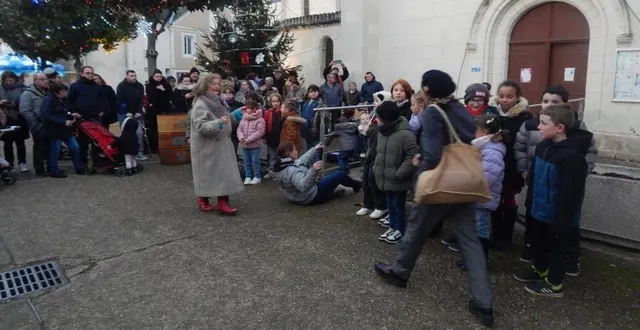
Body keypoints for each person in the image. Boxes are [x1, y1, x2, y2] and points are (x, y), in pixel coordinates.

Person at [374, 70, 494, 327]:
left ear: (427, 90)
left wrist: (421, 170)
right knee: (470, 242)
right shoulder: (461, 110)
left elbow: (431, 154)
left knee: (416, 229)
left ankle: (400, 272)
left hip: (440, 184)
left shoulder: (432, 113)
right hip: (464, 182)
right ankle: (484, 304)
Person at [514, 85, 598, 275]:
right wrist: (525, 173)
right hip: (539, 196)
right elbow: (523, 152)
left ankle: (560, 272)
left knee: (562, 235)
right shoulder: (539, 138)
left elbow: (587, 158)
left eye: (555, 102)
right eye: (545, 101)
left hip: (560, 199)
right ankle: (539, 262)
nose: (548, 105)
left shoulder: (574, 143)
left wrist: (578, 176)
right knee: (539, 232)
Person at [457, 115, 506, 270]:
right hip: (476, 195)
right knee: (473, 228)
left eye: (474, 130)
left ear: (484, 132)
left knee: (480, 228)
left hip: (482, 198)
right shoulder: (482, 147)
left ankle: (479, 261)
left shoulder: (492, 151)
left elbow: (486, 178)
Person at [189, 73, 243, 214]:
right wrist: (218, 122)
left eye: (218, 83)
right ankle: (202, 198)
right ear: (204, 86)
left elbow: (224, 119)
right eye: (213, 83)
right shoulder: (200, 104)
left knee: (222, 174)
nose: (217, 86)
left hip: (221, 145)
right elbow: (200, 126)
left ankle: (223, 202)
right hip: (207, 147)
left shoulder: (219, 101)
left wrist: (237, 114)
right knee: (206, 174)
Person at [487, 80, 532, 250]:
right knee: (495, 200)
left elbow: (526, 144)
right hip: (494, 164)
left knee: (509, 199)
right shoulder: (492, 114)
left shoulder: (524, 117)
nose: (505, 100)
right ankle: (496, 234)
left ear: (517, 97)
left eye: (509, 96)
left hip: (512, 165)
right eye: (501, 96)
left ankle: (507, 236)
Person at [373, 101, 419, 244]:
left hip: (398, 179)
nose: (376, 120)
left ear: (386, 119)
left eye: (379, 118)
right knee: (390, 204)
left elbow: (412, 156)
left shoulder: (406, 135)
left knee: (398, 206)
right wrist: (377, 168)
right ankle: (392, 226)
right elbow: (379, 153)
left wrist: (399, 173)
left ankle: (400, 229)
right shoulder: (382, 133)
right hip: (385, 177)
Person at [273, 141, 362, 205]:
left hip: (297, 196)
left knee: (329, 179)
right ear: (289, 153)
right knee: (339, 175)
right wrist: (313, 170)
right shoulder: (291, 171)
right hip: (311, 196)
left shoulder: (283, 164)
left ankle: (333, 192)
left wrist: (314, 150)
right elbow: (303, 186)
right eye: (294, 150)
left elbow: (300, 161)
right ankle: (357, 185)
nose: (296, 151)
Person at [356, 92, 392, 220]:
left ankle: (381, 206)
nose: (374, 103)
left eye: (376, 100)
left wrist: (368, 130)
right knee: (366, 179)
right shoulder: (373, 116)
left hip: (377, 152)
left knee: (373, 179)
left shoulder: (383, 118)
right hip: (369, 150)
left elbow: (375, 132)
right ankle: (368, 204)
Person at [40, 83, 84, 178]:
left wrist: (73, 115)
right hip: (55, 130)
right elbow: (46, 115)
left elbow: (66, 111)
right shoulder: (49, 100)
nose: (65, 93)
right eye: (63, 91)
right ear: (56, 92)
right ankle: (54, 171)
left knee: (75, 147)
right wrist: (63, 122)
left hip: (66, 130)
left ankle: (79, 167)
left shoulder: (64, 100)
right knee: (55, 151)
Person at [67, 65, 107, 170]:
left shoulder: (97, 87)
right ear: (82, 74)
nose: (90, 75)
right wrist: (74, 112)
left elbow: (103, 100)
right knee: (83, 142)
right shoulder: (75, 86)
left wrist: (102, 110)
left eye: (91, 73)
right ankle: (83, 163)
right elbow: (69, 101)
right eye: (88, 73)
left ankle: (96, 161)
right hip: (81, 118)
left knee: (97, 141)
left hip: (95, 117)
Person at [19, 72, 49, 176]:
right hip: (38, 125)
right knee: (39, 147)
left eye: (46, 79)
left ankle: (51, 168)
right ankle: (40, 170)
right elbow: (24, 110)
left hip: (50, 124)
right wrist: (35, 123)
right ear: (35, 81)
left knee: (49, 147)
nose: (45, 81)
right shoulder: (27, 94)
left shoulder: (49, 92)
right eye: (42, 79)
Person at [0, 71, 28, 172]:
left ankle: (22, 162)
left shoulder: (22, 88)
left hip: (18, 117)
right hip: (5, 119)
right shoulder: (0, 89)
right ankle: (9, 163)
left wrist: (15, 104)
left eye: (10, 80)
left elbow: (24, 101)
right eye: (6, 81)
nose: (8, 83)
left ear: (15, 79)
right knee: (7, 143)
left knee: (20, 142)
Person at [116, 70, 147, 161]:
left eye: (135, 75)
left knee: (139, 132)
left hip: (136, 112)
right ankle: (127, 152)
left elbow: (140, 101)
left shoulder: (140, 86)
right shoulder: (121, 86)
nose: (133, 77)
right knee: (127, 134)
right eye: (131, 76)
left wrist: (138, 112)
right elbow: (120, 101)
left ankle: (139, 152)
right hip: (124, 113)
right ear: (127, 76)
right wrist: (126, 112)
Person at [237, 99, 265, 185]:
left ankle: (257, 177)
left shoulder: (260, 119)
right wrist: (241, 138)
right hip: (244, 145)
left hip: (255, 145)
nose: (247, 110)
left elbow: (260, 132)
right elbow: (239, 129)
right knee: (246, 161)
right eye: (246, 108)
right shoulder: (243, 119)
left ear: (255, 109)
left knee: (255, 161)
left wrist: (248, 140)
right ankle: (248, 176)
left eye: (249, 108)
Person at [145, 69, 172, 154]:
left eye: (160, 76)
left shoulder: (166, 84)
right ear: (153, 77)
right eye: (156, 76)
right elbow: (152, 97)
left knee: (165, 128)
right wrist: (159, 91)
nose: (158, 78)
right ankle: (155, 148)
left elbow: (169, 96)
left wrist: (163, 90)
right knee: (154, 130)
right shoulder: (149, 85)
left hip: (165, 109)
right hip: (154, 111)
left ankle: (165, 146)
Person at [325, 108, 358, 173]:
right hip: (353, 146)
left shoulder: (338, 128)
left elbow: (331, 135)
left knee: (340, 158)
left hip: (345, 147)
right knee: (346, 158)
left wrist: (326, 143)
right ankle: (346, 169)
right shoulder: (352, 126)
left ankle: (343, 170)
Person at [264, 93, 284, 179]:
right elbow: (265, 125)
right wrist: (264, 136)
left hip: (281, 137)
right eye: (273, 101)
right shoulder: (267, 112)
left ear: (280, 102)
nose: (275, 103)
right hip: (271, 137)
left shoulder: (283, 111)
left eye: (277, 101)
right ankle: (271, 171)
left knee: (281, 156)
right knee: (272, 156)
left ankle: (281, 172)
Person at [300, 85, 326, 151]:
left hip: (315, 129)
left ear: (318, 92)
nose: (313, 93)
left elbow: (325, 115)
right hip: (306, 128)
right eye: (311, 91)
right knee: (308, 148)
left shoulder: (321, 103)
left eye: (315, 91)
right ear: (308, 93)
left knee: (316, 148)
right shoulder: (305, 103)